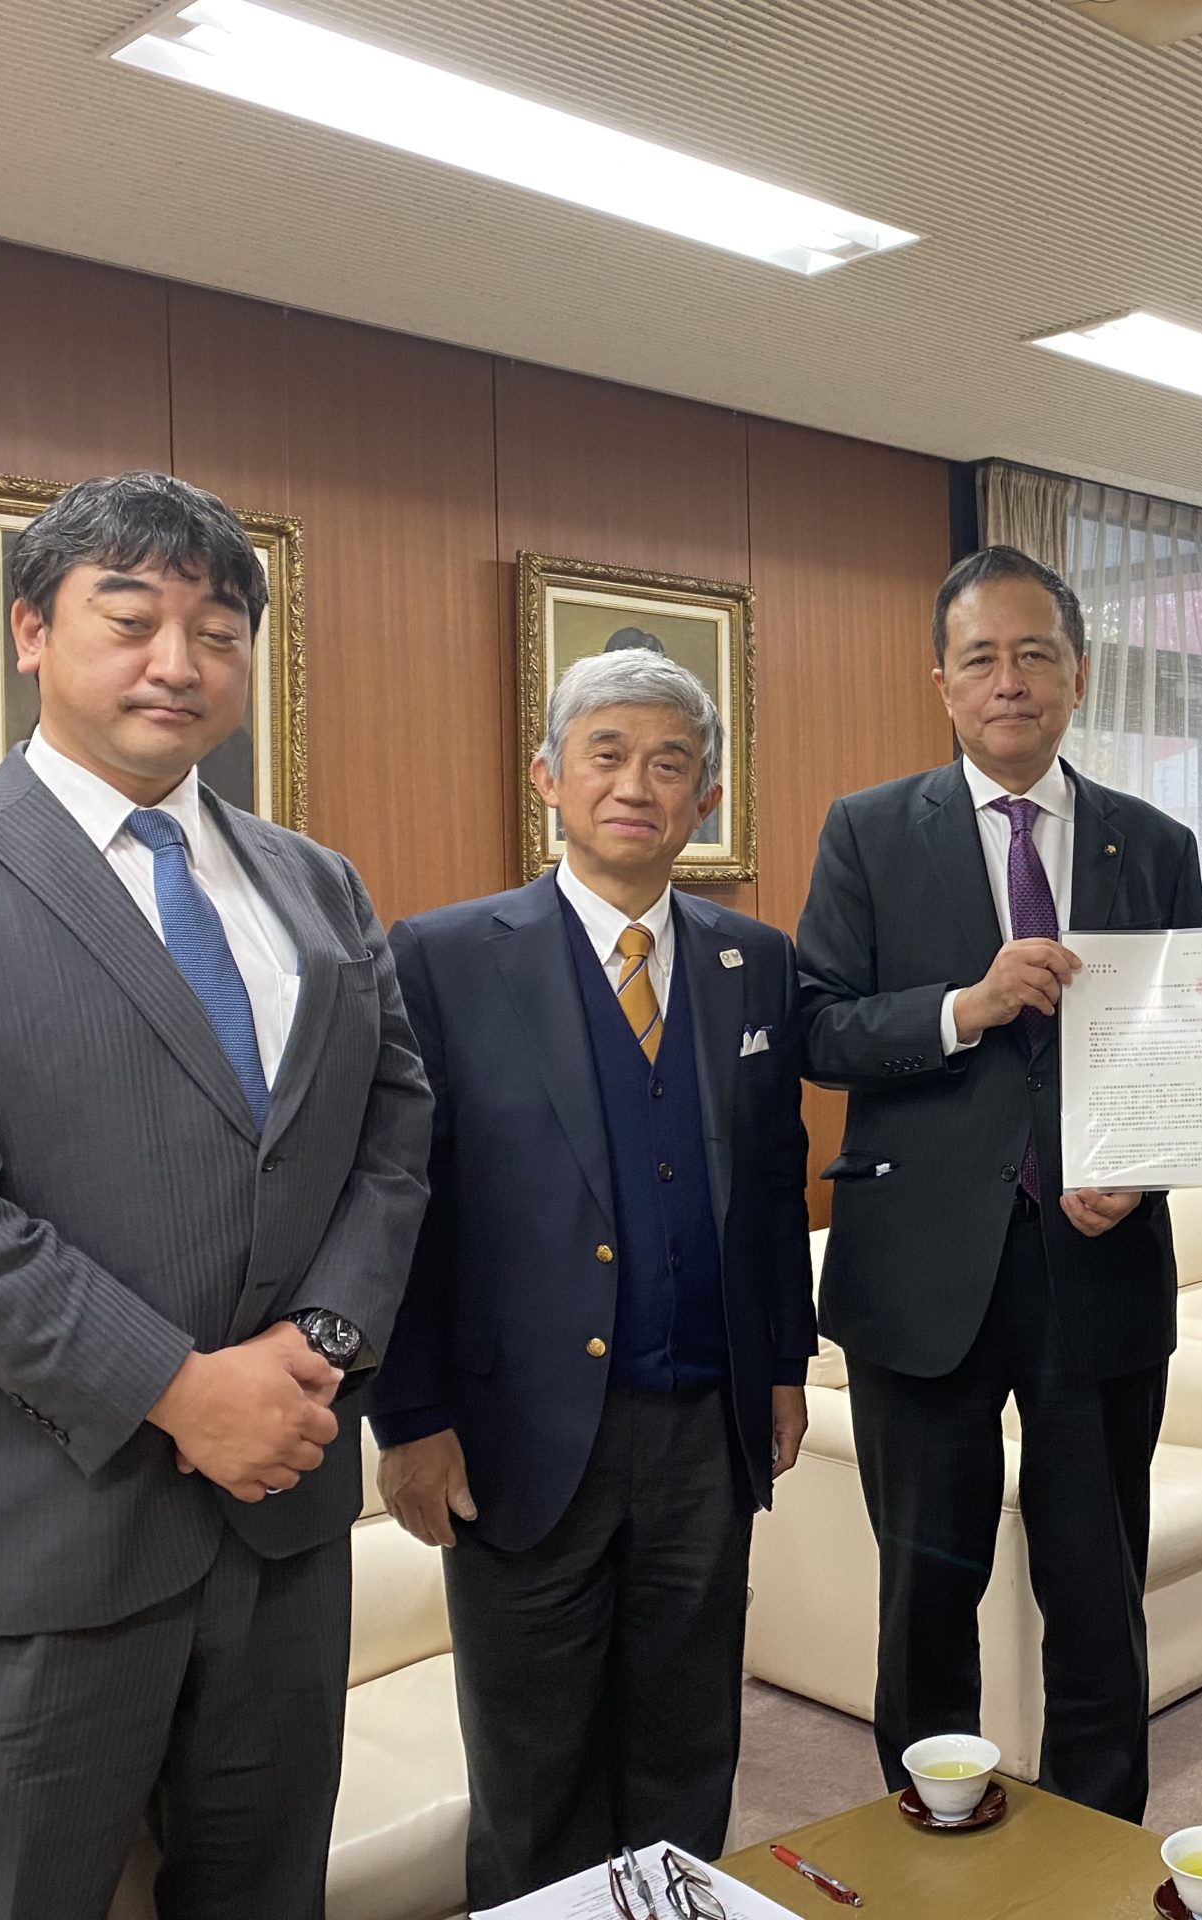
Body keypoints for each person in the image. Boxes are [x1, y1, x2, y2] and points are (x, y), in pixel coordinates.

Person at [0, 470, 431, 1920]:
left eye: (215, 631)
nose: (176, 662)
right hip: (20, 1551)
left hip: (277, 1535)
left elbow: (395, 1131)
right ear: (30, 631)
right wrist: (179, 1389)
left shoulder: (317, 886)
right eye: (128, 618)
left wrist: (315, 1347)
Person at [372, 651, 815, 1905]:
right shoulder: (447, 958)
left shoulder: (753, 961)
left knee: (686, 1750)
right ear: (549, 778)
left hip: (703, 1432)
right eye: (607, 754)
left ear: (706, 800)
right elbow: (404, 1205)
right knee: (536, 1770)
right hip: (521, 1437)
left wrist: (782, 1367)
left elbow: (776, 1186)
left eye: (669, 763)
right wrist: (409, 1422)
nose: (638, 783)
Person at [794, 543, 1202, 1819]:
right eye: (982, 658)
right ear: (943, 683)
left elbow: (1172, 1058)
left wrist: (1137, 1172)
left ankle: (1095, 1842)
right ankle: (938, 1832)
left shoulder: (1154, 842)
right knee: (927, 1595)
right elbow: (817, 1029)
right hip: (922, 1279)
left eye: (1036, 654)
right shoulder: (867, 831)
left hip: (1097, 1268)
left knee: (1098, 1591)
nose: (1010, 680)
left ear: (1078, 677)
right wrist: (962, 1009)